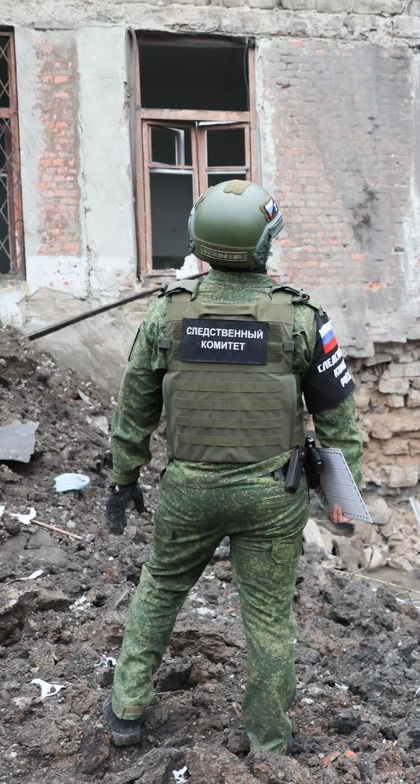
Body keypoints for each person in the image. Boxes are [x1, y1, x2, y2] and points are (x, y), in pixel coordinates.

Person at [101, 180, 363, 753]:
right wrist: (344, 498)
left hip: (188, 490)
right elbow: (338, 422)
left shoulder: (165, 316)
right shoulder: (301, 318)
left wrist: (123, 479)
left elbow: (134, 410)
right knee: (269, 620)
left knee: (160, 589)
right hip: (273, 495)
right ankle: (269, 742)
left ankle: (126, 709)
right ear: (264, 245)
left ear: (199, 242)